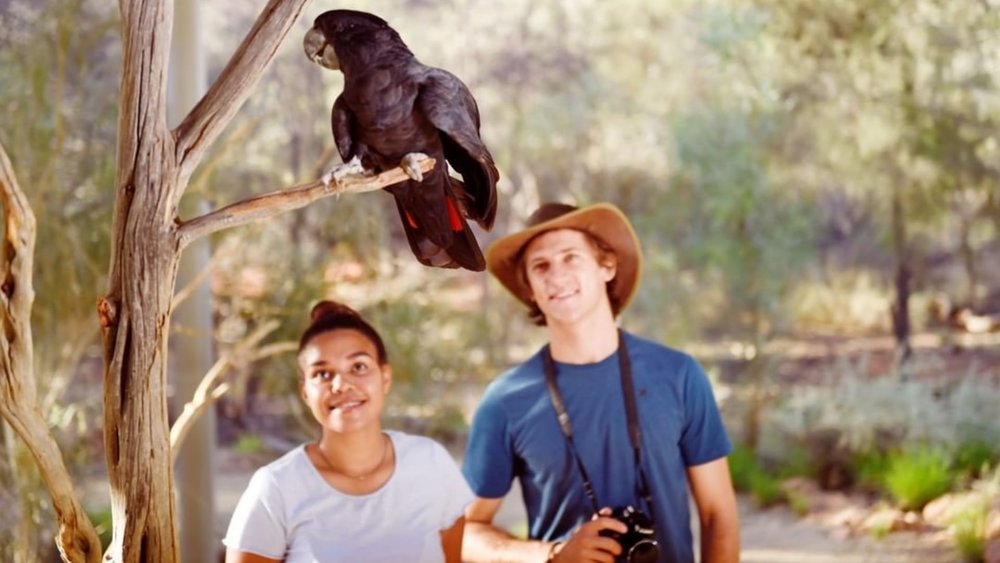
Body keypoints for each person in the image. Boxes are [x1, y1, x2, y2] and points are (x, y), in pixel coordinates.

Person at [461, 202, 740, 563]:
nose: (556, 276)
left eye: (571, 257)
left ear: (606, 266)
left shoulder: (679, 375)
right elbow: (463, 532)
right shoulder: (505, 400)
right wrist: (553, 554)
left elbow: (719, 516)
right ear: (529, 287)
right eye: (540, 266)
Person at [224, 301, 472, 562]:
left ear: (385, 378)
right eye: (322, 374)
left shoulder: (431, 463)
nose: (341, 385)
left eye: (358, 367)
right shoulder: (276, 488)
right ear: (305, 392)